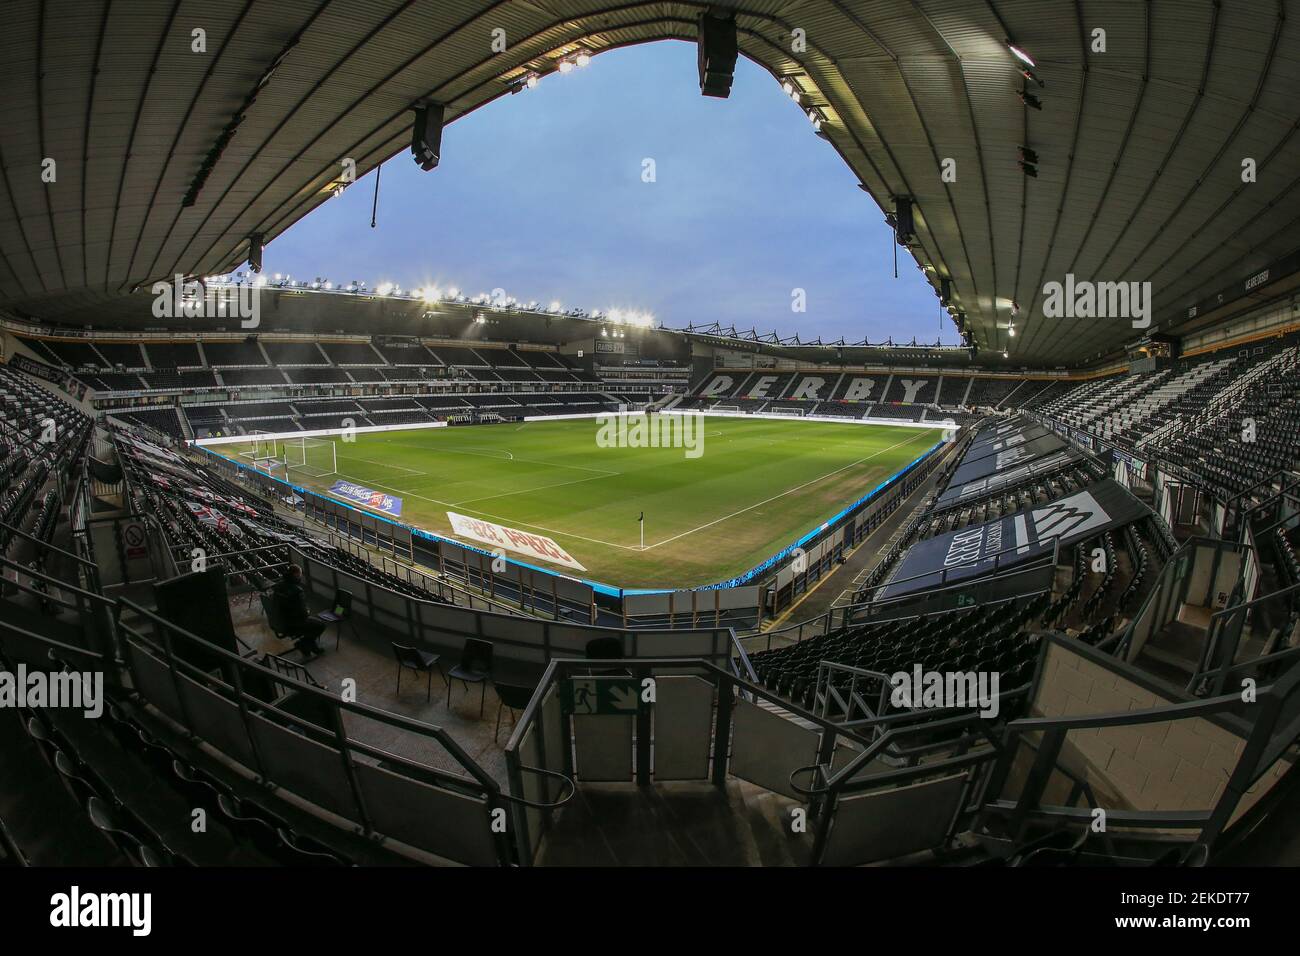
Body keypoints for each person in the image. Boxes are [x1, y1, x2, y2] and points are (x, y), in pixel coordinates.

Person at [271, 564, 326, 657]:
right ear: (296, 575)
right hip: (293, 623)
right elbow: (303, 614)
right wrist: (307, 611)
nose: (301, 576)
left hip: (280, 620)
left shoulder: (278, 586)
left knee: (311, 622)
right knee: (320, 625)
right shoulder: (297, 590)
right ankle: (304, 644)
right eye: (300, 574)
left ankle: (308, 646)